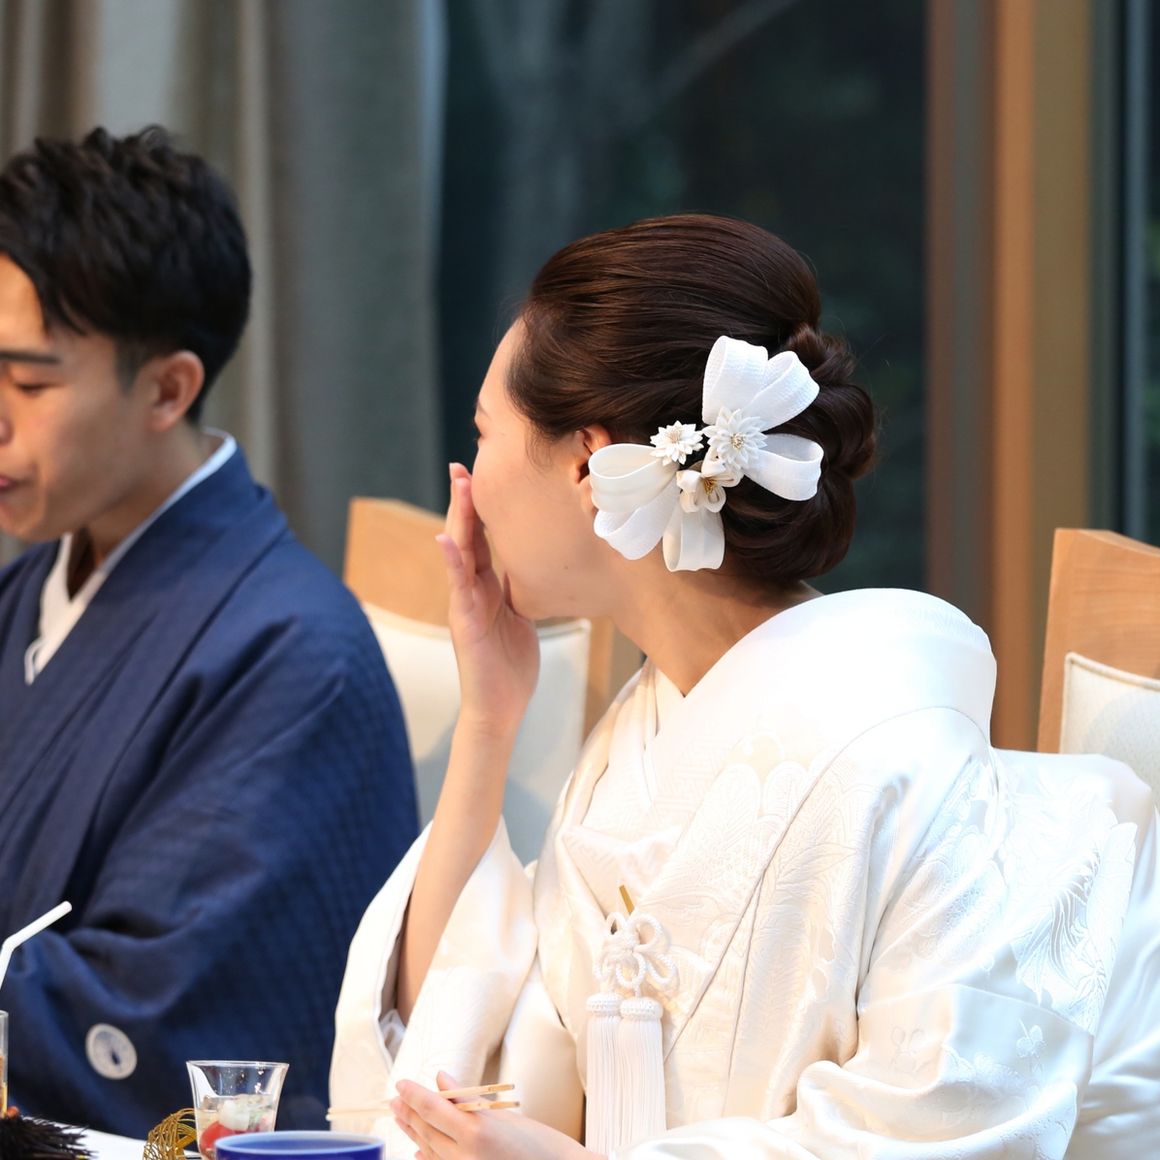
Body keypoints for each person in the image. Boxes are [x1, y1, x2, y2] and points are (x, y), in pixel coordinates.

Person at [330, 213, 1160, 1159]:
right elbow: (458, 1051)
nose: (470, 486)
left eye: (484, 435)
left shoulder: (905, 761)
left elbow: (936, 1127)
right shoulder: (634, 744)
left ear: (589, 464)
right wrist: (489, 716)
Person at [0, 126, 418, 1136]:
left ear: (168, 387)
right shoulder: (25, 592)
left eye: (29, 384)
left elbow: (154, 1019)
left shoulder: (294, 657)